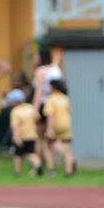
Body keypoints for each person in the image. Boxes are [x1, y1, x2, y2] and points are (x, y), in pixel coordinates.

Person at [31, 47, 63, 175]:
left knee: (40, 137)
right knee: (52, 138)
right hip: (58, 104)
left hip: (44, 104)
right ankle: (68, 157)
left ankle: (40, 165)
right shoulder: (56, 69)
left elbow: (39, 90)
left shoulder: (41, 71)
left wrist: (34, 108)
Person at [43, 78, 76, 177]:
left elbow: (50, 115)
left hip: (56, 125)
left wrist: (50, 129)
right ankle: (69, 169)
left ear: (53, 87)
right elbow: (69, 112)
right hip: (66, 125)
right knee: (67, 148)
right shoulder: (66, 98)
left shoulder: (51, 99)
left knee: (47, 146)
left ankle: (51, 170)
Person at [8, 92, 43, 177]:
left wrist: (16, 137)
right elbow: (37, 119)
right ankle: (38, 164)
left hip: (21, 135)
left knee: (17, 154)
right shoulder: (30, 108)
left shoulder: (15, 112)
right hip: (32, 134)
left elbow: (15, 126)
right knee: (31, 153)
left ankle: (17, 171)